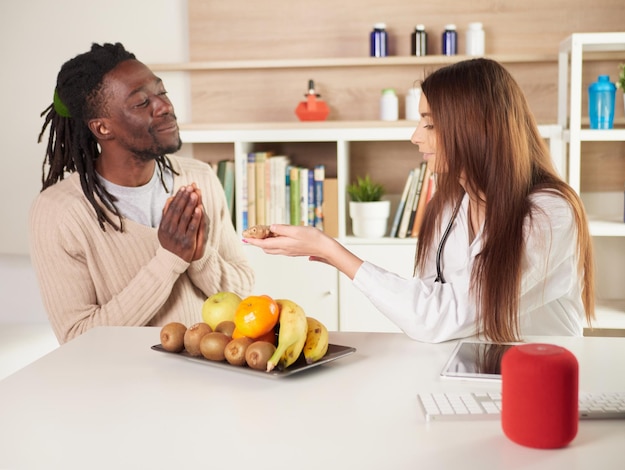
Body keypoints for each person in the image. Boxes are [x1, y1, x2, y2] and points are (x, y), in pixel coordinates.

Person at [244, 58, 595, 344]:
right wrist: (328, 251)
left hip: (547, 380)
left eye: (429, 125)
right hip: (475, 369)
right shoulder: (450, 205)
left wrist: (335, 252)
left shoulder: (549, 215)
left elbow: (439, 317)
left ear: (475, 129)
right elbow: (427, 300)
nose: (415, 137)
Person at [31, 42, 254, 344]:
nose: (164, 106)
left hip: (215, 375)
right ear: (102, 127)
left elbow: (244, 297)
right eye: (140, 103)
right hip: (125, 386)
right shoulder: (59, 212)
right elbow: (77, 337)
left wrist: (200, 257)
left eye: (161, 93)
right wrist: (170, 259)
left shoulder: (198, 178)